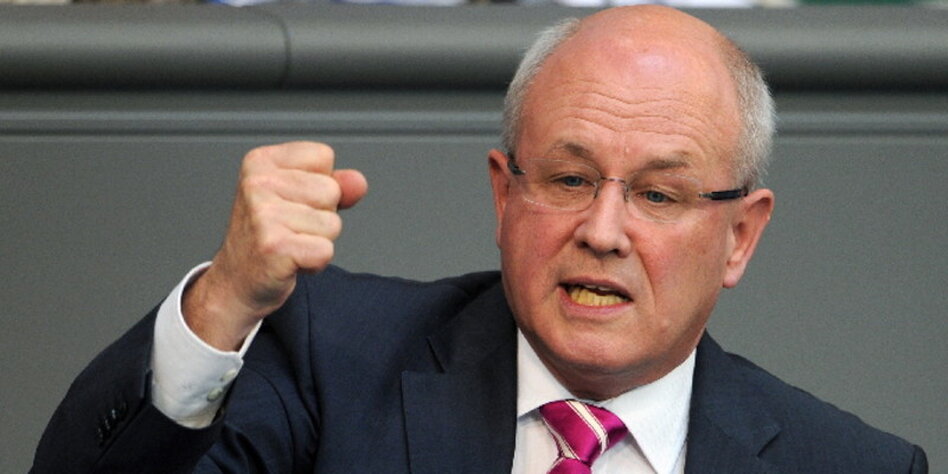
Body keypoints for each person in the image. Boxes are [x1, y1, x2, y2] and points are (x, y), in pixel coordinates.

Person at [33, 6, 927, 473]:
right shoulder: (330, 367)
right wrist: (224, 302)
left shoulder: (853, 467)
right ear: (504, 195)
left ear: (740, 236)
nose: (602, 232)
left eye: (658, 195)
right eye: (568, 180)